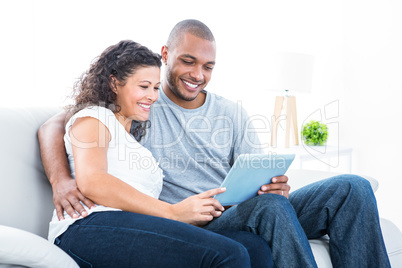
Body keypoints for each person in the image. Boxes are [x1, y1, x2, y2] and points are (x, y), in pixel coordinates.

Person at [38, 20, 390, 267]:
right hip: (195, 223)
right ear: (166, 55)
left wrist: (275, 186)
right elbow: (58, 123)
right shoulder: (143, 105)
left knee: (352, 188)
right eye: (188, 62)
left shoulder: (230, 113)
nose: (197, 75)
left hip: (242, 212)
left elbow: (256, 175)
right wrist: (62, 180)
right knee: (269, 210)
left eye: (208, 66)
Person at [43, 39, 273, 267]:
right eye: (143, 87)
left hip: (135, 225)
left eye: (155, 87)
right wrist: (173, 212)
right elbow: (92, 181)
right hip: (87, 227)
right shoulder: (96, 117)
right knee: (229, 254)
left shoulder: (134, 138)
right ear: (114, 83)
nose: (153, 96)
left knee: (254, 247)